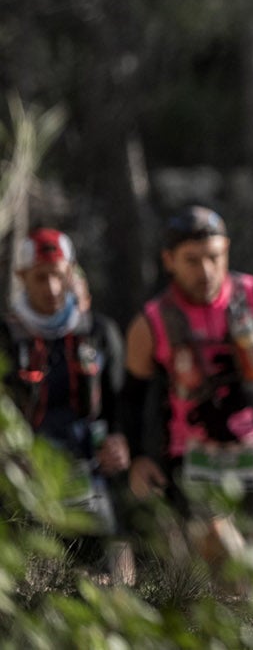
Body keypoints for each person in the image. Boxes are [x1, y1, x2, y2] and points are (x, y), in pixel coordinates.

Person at [123, 204, 253, 573]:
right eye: (192, 260)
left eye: (214, 257)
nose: (205, 270)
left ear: (226, 250)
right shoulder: (150, 323)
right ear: (169, 261)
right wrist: (140, 457)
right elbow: (132, 397)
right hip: (193, 456)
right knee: (225, 565)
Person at [4, 227, 133, 580]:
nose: (52, 289)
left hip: (90, 472)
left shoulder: (98, 333)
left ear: (71, 273)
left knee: (114, 563)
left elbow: (120, 402)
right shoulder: (7, 337)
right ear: (21, 277)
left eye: (58, 277)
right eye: (40, 278)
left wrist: (119, 440)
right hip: (26, 478)